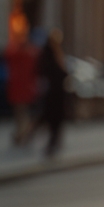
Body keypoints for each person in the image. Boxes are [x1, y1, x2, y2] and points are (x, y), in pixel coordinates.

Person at [35, 28, 69, 158]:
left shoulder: (55, 53)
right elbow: (50, 72)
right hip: (53, 92)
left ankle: (54, 141)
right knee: (51, 117)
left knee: (54, 118)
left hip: (57, 92)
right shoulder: (49, 54)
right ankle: (51, 142)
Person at [4, 30, 38, 145]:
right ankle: (23, 133)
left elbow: (7, 54)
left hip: (19, 89)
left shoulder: (18, 54)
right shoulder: (31, 54)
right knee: (23, 113)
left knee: (20, 113)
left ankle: (22, 133)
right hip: (25, 89)